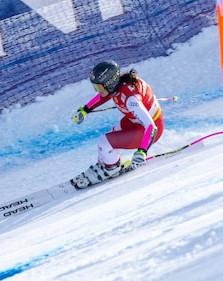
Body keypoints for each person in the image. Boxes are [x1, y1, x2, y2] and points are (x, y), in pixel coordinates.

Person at [70, 60, 164, 189]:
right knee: (112, 138)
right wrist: (85, 109)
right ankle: (110, 163)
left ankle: (110, 169)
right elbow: (105, 95)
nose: (97, 90)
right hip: (134, 122)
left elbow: (151, 126)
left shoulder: (131, 101)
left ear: (110, 83)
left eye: (99, 87)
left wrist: (142, 151)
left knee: (105, 141)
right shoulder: (118, 86)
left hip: (149, 131)